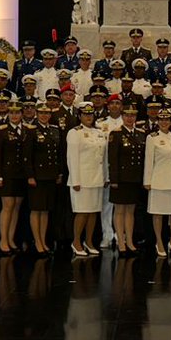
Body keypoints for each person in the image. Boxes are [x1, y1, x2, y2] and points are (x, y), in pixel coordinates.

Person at [67, 104, 108, 256]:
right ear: (79, 116)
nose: (88, 117)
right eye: (85, 114)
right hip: (82, 179)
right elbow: (72, 158)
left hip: (97, 177)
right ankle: (76, 242)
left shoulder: (99, 133)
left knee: (93, 212)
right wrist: (75, 180)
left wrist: (106, 176)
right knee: (82, 212)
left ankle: (89, 242)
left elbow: (104, 157)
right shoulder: (74, 133)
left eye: (90, 114)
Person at [24, 105, 65, 254]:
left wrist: (59, 173)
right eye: (41, 113)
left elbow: (58, 154)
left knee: (46, 209)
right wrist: (30, 175)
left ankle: (43, 239)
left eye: (47, 113)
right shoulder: (31, 130)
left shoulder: (55, 130)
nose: (44, 115)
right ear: (36, 113)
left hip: (51, 175)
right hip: (37, 176)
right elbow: (27, 156)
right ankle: (37, 241)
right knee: (36, 209)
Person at [144, 109, 171, 257]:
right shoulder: (152, 138)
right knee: (158, 213)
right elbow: (149, 160)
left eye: (167, 119)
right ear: (158, 121)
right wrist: (147, 180)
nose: (164, 122)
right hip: (158, 180)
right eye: (161, 119)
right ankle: (159, 242)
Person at [107, 104, 147, 253]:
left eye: (133, 115)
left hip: (135, 178)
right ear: (122, 116)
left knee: (131, 210)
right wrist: (114, 179)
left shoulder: (141, 134)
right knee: (119, 210)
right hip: (121, 179)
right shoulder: (116, 134)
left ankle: (129, 241)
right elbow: (113, 158)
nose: (130, 118)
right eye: (127, 115)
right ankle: (121, 242)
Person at [0, 102, 30, 253]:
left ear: (22, 114)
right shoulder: (2, 131)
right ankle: (3, 240)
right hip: (6, 174)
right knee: (7, 206)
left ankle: (11, 238)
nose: (14, 115)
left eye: (17, 112)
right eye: (12, 112)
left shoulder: (27, 130)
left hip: (21, 174)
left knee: (16, 207)